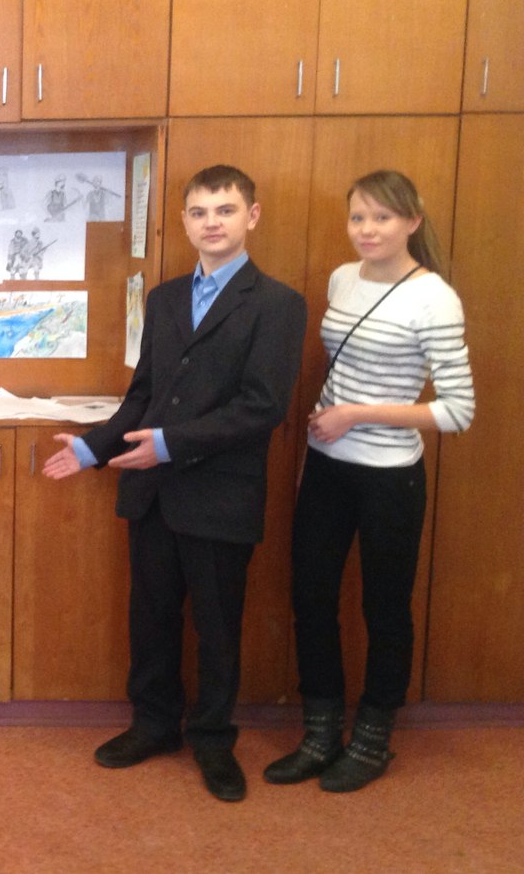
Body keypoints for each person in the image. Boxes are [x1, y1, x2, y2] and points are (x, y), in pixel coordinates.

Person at [43, 165, 306, 803]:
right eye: (199, 211)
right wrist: (94, 447)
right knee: (151, 617)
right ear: (184, 221)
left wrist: (167, 445)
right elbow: (145, 395)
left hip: (220, 495)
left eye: (225, 209)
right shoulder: (162, 299)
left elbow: (262, 407)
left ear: (252, 216)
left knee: (218, 626)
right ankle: (155, 724)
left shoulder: (278, 304)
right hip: (153, 496)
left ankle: (213, 738)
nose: (212, 222)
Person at [264, 170, 474, 793]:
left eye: (382, 217)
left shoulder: (434, 298)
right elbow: (341, 368)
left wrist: (356, 414)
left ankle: (373, 739)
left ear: (412, 221)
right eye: (358, 217)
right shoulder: (342, 279)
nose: (368, 230)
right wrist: (323, 432)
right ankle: (321, 733)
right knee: (311, 599)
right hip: (326, 466)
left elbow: (457, 411)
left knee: (384, 610)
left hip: (389, 477)